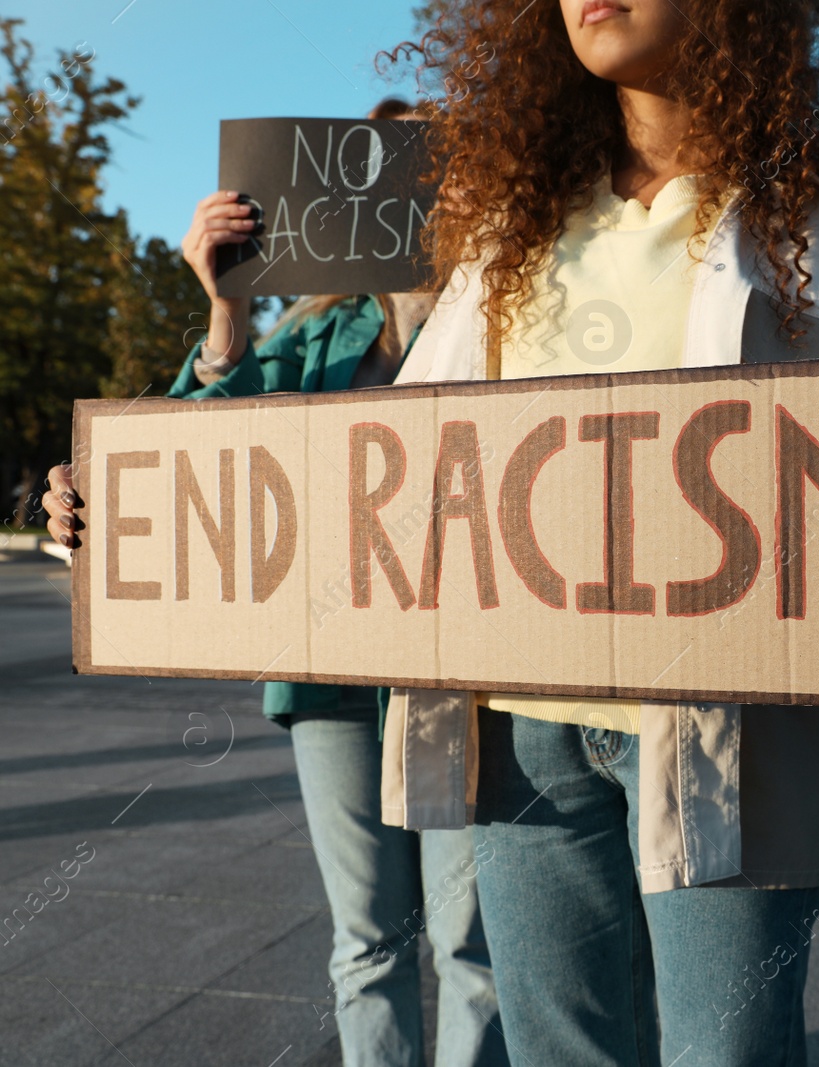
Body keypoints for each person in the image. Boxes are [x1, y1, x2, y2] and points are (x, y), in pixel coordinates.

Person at [371, 1, 819, 1064]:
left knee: (723, 1054)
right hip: (518, 725)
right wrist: (137, 520)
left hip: (740, 727)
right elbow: (392, 462)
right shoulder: (511, 226)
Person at [44, 100, 508, 1067]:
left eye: (433, 164)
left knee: (478, 946)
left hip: (473, 669)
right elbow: (197, 453)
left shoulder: (515, 317)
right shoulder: (316, 335)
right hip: (332, 676)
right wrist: (226, 307)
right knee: (370, 938)